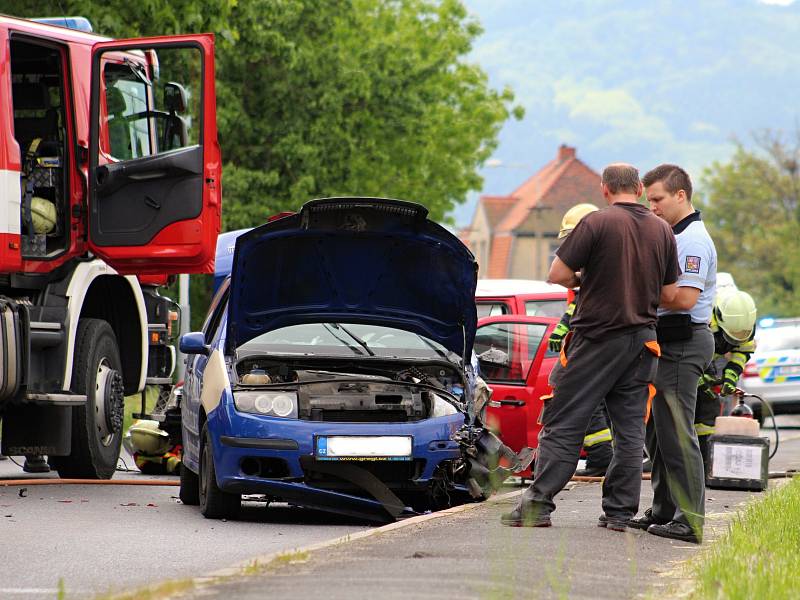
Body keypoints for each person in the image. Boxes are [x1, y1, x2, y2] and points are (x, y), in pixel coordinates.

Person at [501, 163, 679, 530]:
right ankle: (618, 514)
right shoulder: (662, 230)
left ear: (604, 190)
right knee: (630, 432)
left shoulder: (596, 223)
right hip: (643, 343)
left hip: (596, 340)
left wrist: (591, 276)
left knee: (563, 422)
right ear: (640, 190)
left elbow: (558, 275)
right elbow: (670, 294)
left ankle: (537, 506)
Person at [630, 164, 717, 544]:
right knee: (660, 431)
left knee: (679, 433)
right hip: (667, 342)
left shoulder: (692, 241)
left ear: (681, 195)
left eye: (658, 199)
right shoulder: (673, 235)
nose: (652, 207)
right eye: (648, 200)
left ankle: (690, 519)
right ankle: (664, 509)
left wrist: (638, 286)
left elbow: (683, 298)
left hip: (684, 341)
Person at [547, 203, 614, 477]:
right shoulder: (597, 263)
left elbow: (583, 302)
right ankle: (602, 456)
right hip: (602, 340)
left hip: (592, 339)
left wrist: (563, 327)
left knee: (568, 388)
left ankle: (600, 456)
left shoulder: (595, 265)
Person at [696, 290, 757, 470]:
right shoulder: (702, 318)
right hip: (692, 361)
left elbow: (742, 352)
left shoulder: (746, 324)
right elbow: (688, 352)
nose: (737, 336)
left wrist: (731, 376)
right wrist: (698, 377)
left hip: (712, 360)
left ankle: (705, 461)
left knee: (710, 409)